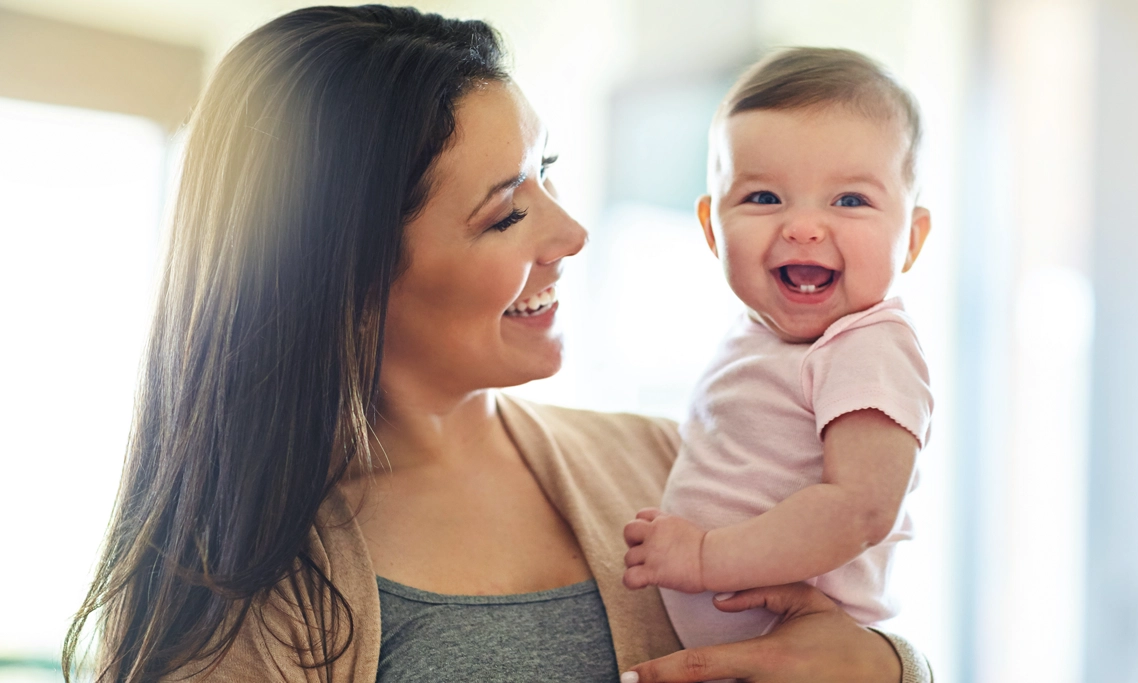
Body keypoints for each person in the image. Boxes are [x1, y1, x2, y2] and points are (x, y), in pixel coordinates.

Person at [62, 7, 933, 683]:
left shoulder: (665, 461)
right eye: (507, 211)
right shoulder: (230, 590)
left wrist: (891, 665)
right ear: (350, 274)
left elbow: (837, 618)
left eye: (546, 173)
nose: (572, 233)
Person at [622, 47, 934, 651]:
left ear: (912, 240)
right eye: (765, 198)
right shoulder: (757, 336)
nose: (804, 227)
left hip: (802, 644)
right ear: (712, 230)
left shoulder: (868, 345)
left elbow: (860, 508)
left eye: (850, 201)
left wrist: (708, 557)